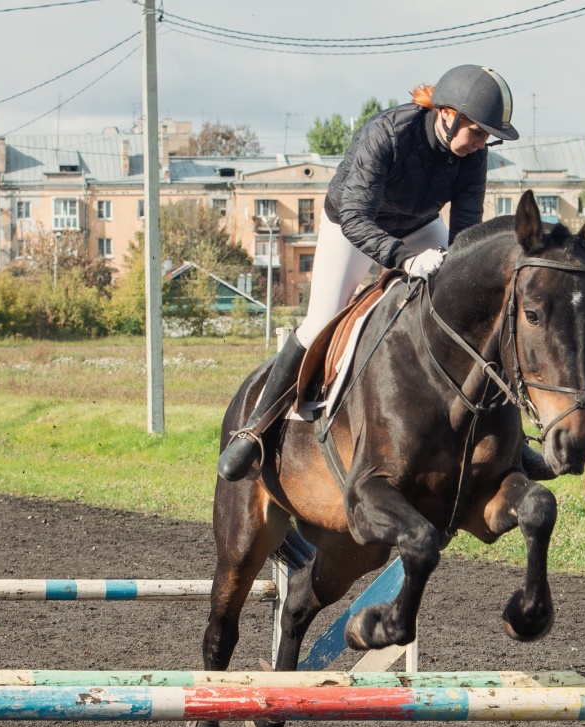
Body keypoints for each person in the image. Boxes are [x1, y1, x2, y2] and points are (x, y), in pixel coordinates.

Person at [216, 64, 519, 481]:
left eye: (488, 136)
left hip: (415, 224)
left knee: (466, 302)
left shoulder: (472, 155)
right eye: (479, 132)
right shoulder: (388, 133)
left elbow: (465, 231)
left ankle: (508, 438)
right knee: (322, 316)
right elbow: (358, 217)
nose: (483, 143)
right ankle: (254, 432)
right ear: (448, 114)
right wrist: (406, 259)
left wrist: (458, 267)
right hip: (353, 222)